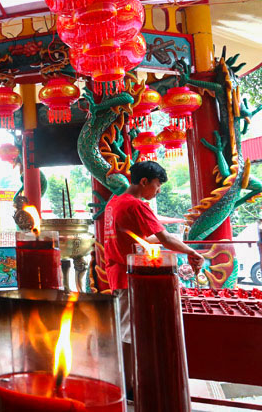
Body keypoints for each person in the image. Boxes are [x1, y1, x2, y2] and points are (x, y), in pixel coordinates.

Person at [102, 160, 204, 397]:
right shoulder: (136, 205)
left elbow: (141, 240)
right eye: (157, 185)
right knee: (127, 332)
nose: (158, 190)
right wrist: (191, 252)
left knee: (124, 329)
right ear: (145, 181)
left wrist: (178, 244)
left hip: (117, 273)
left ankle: (128, 382)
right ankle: (128, 387)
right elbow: (164, 238)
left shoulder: (114, 203)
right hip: (132, 276)